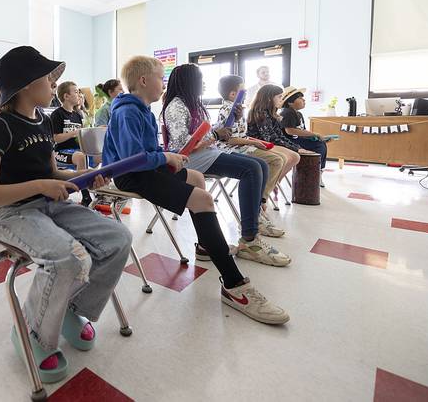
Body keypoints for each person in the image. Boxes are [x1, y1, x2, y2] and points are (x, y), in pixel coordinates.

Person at [0, 46, 132, 383]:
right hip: (11, 213)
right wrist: (42, 185)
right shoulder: (0, 126)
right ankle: (33, 332)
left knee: (119, 238)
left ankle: (73, 309)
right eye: (47, 78)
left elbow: (51, 175)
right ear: (27, 85)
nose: (52, 84)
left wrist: (84, 177)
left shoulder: (43, 121)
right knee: (68, 258)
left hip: (48, 205)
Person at [103, 55, 289, 325]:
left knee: (197, 180)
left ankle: (206, 245)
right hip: (132, 176)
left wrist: (165, 158)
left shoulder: (141, 109)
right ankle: (235, 286)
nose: (163, 83)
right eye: (159, 77)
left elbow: (148, 152)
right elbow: (133, 158)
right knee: (202, 199)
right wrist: (166, 158)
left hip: (145, 169)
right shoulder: (127, 111)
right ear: (143, 81)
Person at [161, 64, 290, 264]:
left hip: (206, 152)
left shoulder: (193, 104)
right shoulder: (176, 106)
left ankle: (253, 222)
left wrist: (229, 123)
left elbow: (204, 133)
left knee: (261, 165)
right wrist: (214, 134)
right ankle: (249, 240)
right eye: (200, 79)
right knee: (252, 168)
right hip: (189, 159)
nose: (203, 83)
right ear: (188, 82)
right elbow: (179, 145)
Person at [216, 75, 294, 210]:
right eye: (243, 91)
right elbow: (229, 139)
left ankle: (262, 196)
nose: (246, 93)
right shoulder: (228, 110)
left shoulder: (237, 108)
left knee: (280, 158)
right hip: (232, 149)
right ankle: (262, 198)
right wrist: (254, 143)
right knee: (276, 160)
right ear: (233, 94)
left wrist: (253, 141)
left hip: (242, 146)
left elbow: (242, 134)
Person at [50, 81, 93, 206]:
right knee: (80, 157)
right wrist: (74, 132)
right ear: (66, 96)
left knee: (100, 155)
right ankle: (85, 196)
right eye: (75, 91)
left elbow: (80, 137)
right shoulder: (57, 114)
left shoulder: (78, 115)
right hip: (60, 152)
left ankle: (105, 192)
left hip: (76, 151)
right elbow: (55, 138)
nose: (79, 94)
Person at [279, 86, 328, 187]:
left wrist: (315, 137)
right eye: (300, 98)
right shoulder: (287, 112)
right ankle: (315, 172)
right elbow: (290, 131)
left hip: (298, 140)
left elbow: (301, 130)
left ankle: (317, 171)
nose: (304, 100)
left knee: (320, 143)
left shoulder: (298, 114)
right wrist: (314, 134)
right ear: (290, 102)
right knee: (319, 146)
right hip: (289, 141)